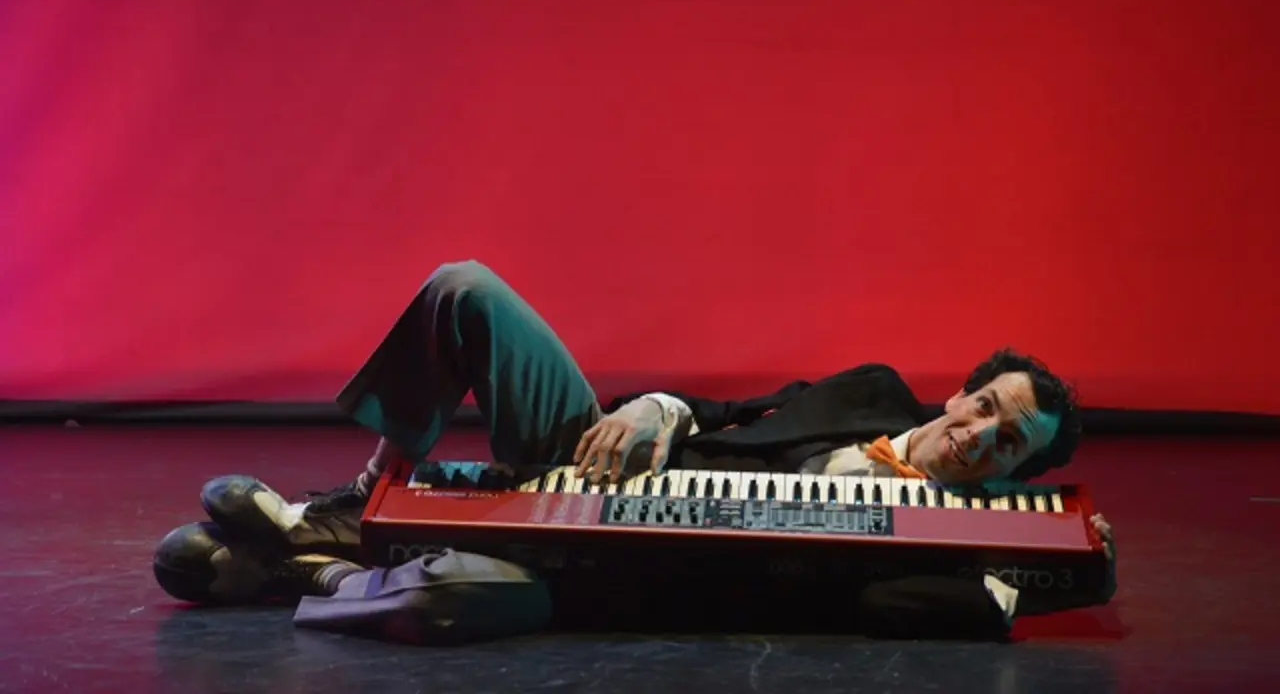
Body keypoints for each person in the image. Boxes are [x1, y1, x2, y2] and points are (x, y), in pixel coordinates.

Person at [153, 260, 1116, 644]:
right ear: (962, 392)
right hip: (595, 456)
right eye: (985, 407)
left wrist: (1055, 578)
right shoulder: (869, 391)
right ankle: (355, 497)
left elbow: (882, 607)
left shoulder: (958, 547)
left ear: (1014, 477)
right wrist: (657, 406)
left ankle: (299, 569)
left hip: (608, 573)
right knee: (467, 289)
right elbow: (720, 409)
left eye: (1006, 444)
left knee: (464, 600)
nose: (977, 435)